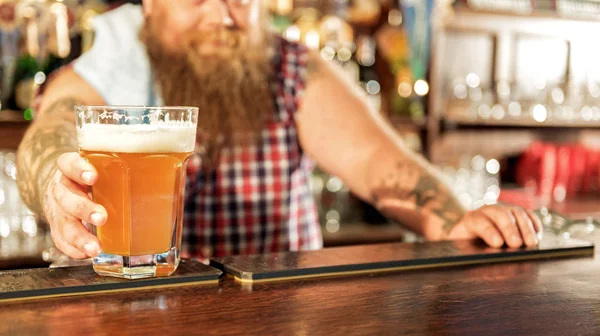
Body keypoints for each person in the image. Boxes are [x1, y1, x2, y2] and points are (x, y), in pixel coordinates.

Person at [16, 0, 542, 261]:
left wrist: (453, 221)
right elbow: (53, 130)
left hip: (275, 325)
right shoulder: (115, 60)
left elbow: (381, 165)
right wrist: (54, 187)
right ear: (149, 5)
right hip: (131, 329)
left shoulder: (289, 69)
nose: (224, 16)